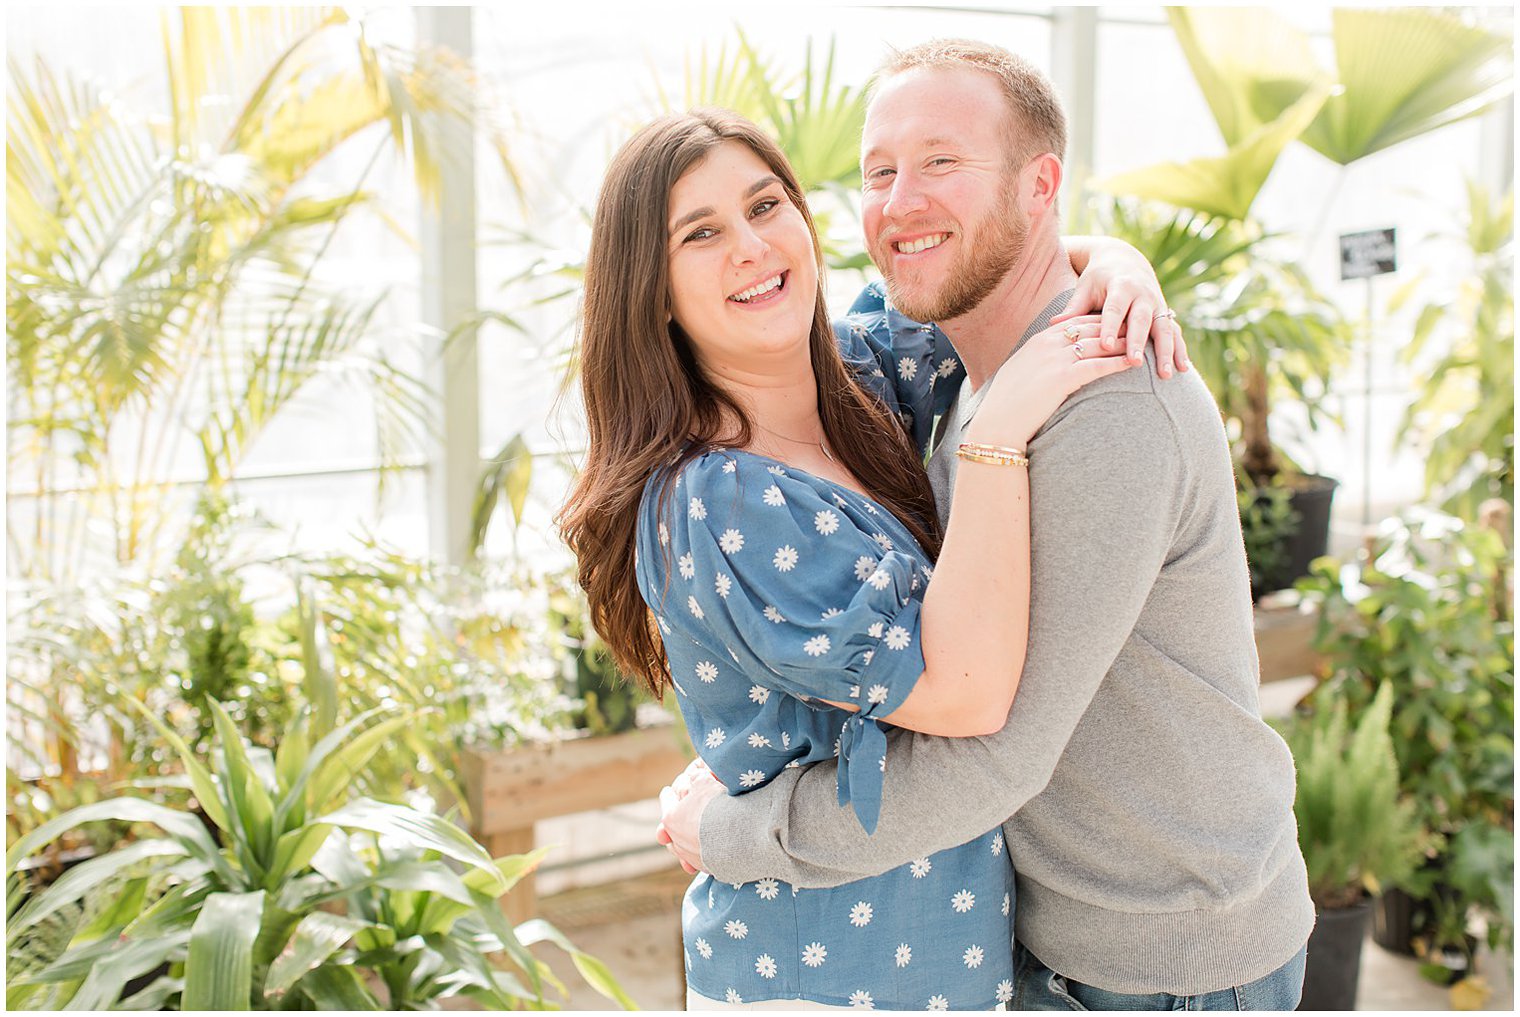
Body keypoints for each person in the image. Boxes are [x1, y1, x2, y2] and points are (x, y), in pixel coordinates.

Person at [657, 39, 1315, 1012]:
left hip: (1159, 962)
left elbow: (990, 753)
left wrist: (736, 836)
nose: (899, 199)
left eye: (940, 162)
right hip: (1051, 935)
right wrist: (1105, 255)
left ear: (1038, 184)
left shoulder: (1104, 402)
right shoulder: (948, 371)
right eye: (878, 171)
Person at [558, 102, 1180, 1010]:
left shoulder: (857, 371)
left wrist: (1120, 266)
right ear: (650, 290)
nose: (750, 246)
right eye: (700, 233)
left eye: (766, 206)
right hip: (818, 976)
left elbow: (1002, 275)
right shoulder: (713, 499)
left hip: (945, 961)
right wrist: (995, 435)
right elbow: (964, 691)